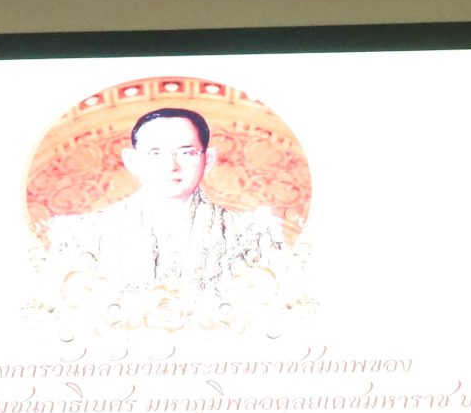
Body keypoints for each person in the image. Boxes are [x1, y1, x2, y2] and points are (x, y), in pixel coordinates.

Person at [45, 108, 289, 293]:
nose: (171, 166)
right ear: (132, 161)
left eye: (186, 152)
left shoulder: (251, 234)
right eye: (155, 153)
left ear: (208, 159)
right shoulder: (86, 233)